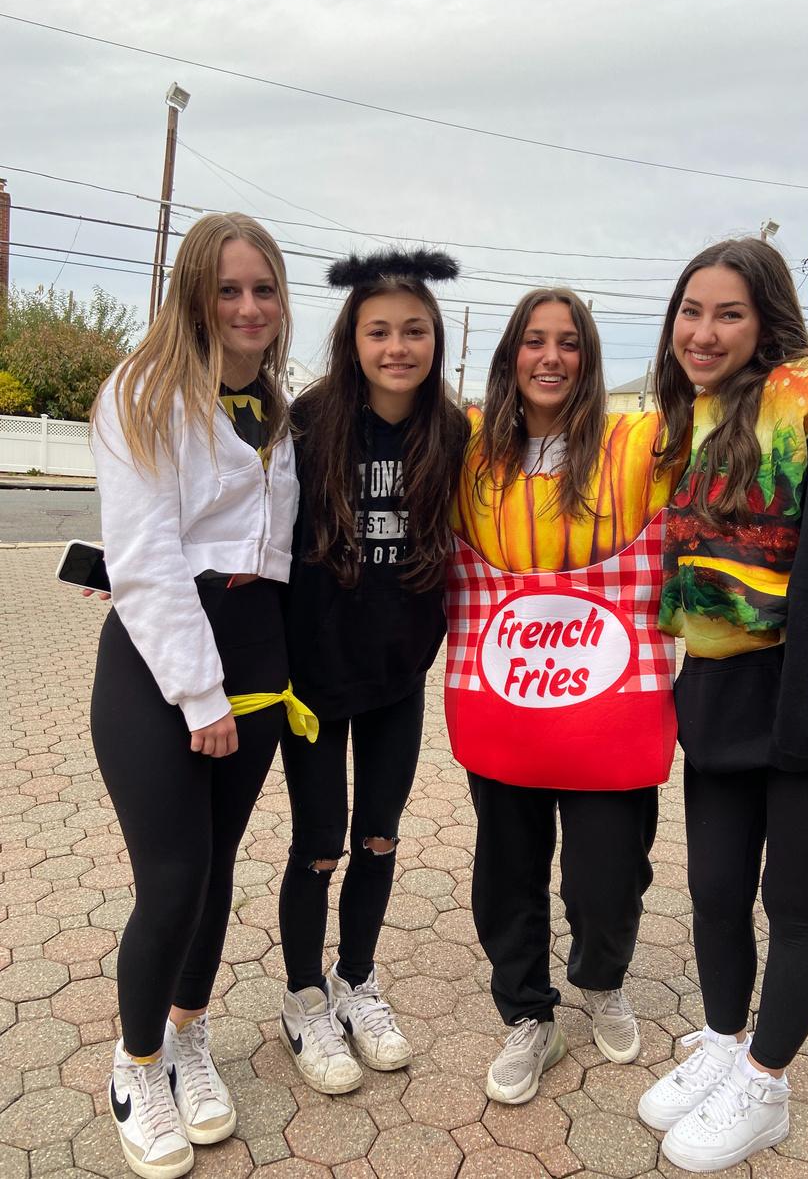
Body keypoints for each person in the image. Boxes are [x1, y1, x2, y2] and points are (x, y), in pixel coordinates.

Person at [637, 237, 808, 1172]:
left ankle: (766, 1081)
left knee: (793, 903)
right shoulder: (693, 418)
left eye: (730, 314)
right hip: (723, 693)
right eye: (691, 311)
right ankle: (722, 1041)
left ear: (767, 322)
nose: (704, 333)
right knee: (714, 889)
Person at [90, 213, 312, 1179]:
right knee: (173, 879)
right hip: (167, 666)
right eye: (228, 289)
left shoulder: (274, 406)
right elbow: (144, 560)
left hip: (258, 653)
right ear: (193, 294)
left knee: (218, 867)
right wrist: (201, 695)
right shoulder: (142, 393)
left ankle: (188, 1033)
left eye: (264, 289)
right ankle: (137, 1066)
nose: (249, 307)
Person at [445, 287, 680, 1104]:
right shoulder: (468, 450)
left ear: (590, 357)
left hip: (612, 708)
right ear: (510, 353)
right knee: (506, 870)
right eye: (535, 340)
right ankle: (527, 1014)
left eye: (570, 342)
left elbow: (723, 418)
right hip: (505, 699)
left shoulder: (636, 443)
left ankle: (601, 979)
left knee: (608, 876)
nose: (551, 357)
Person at [276, 249, 469, 1094]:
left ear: (436, 339)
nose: (397, 347)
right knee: (319, 845)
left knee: (379, 838)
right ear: (351, 340)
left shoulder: (454, 433)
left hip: (398, 678)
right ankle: (304, 998)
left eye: (414, 331)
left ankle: (356, 979)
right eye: (379, 331)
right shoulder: (308, 421)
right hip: (312, 684)